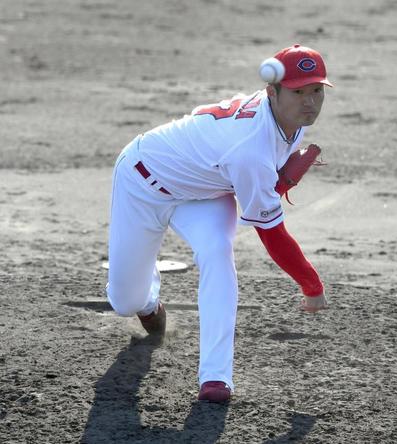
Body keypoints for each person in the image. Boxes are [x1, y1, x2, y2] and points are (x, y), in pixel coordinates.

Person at [106, 44, 332, 403]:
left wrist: (276, 183)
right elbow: (272, 233)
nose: (310, 102)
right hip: (142, 182)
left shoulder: (291, 122)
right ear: (272, 92)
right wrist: (311, 283)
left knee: (217, 253)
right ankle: (148, 303)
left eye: (317, 90)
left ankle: (215, 376)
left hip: (206, 194)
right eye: (298, 92)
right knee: (124, 302)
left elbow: (253, 180)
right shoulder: (249, 147)